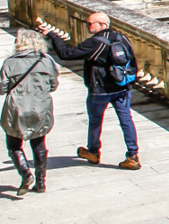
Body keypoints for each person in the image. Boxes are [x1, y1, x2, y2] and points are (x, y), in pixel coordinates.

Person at [42, 10, 139, 170]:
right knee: (126, 120)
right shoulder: (122, 38)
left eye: (89, 23)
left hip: (100, 89)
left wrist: (53, 35)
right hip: (122, 88)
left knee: (95, 122)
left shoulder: (95, 43)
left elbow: (66, 54)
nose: (86, 26)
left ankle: (93, 152)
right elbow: (132, 61)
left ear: (102, 24)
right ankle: (133, 155)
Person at [3, 28, 57, 194]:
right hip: (40, 105)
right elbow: (53, 84)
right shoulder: (46, 60)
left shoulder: (10, 62)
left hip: (16, 107)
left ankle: (26, 173)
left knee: (14, 144)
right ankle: (41, 182)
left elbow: (2, 87)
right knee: (39, 142)